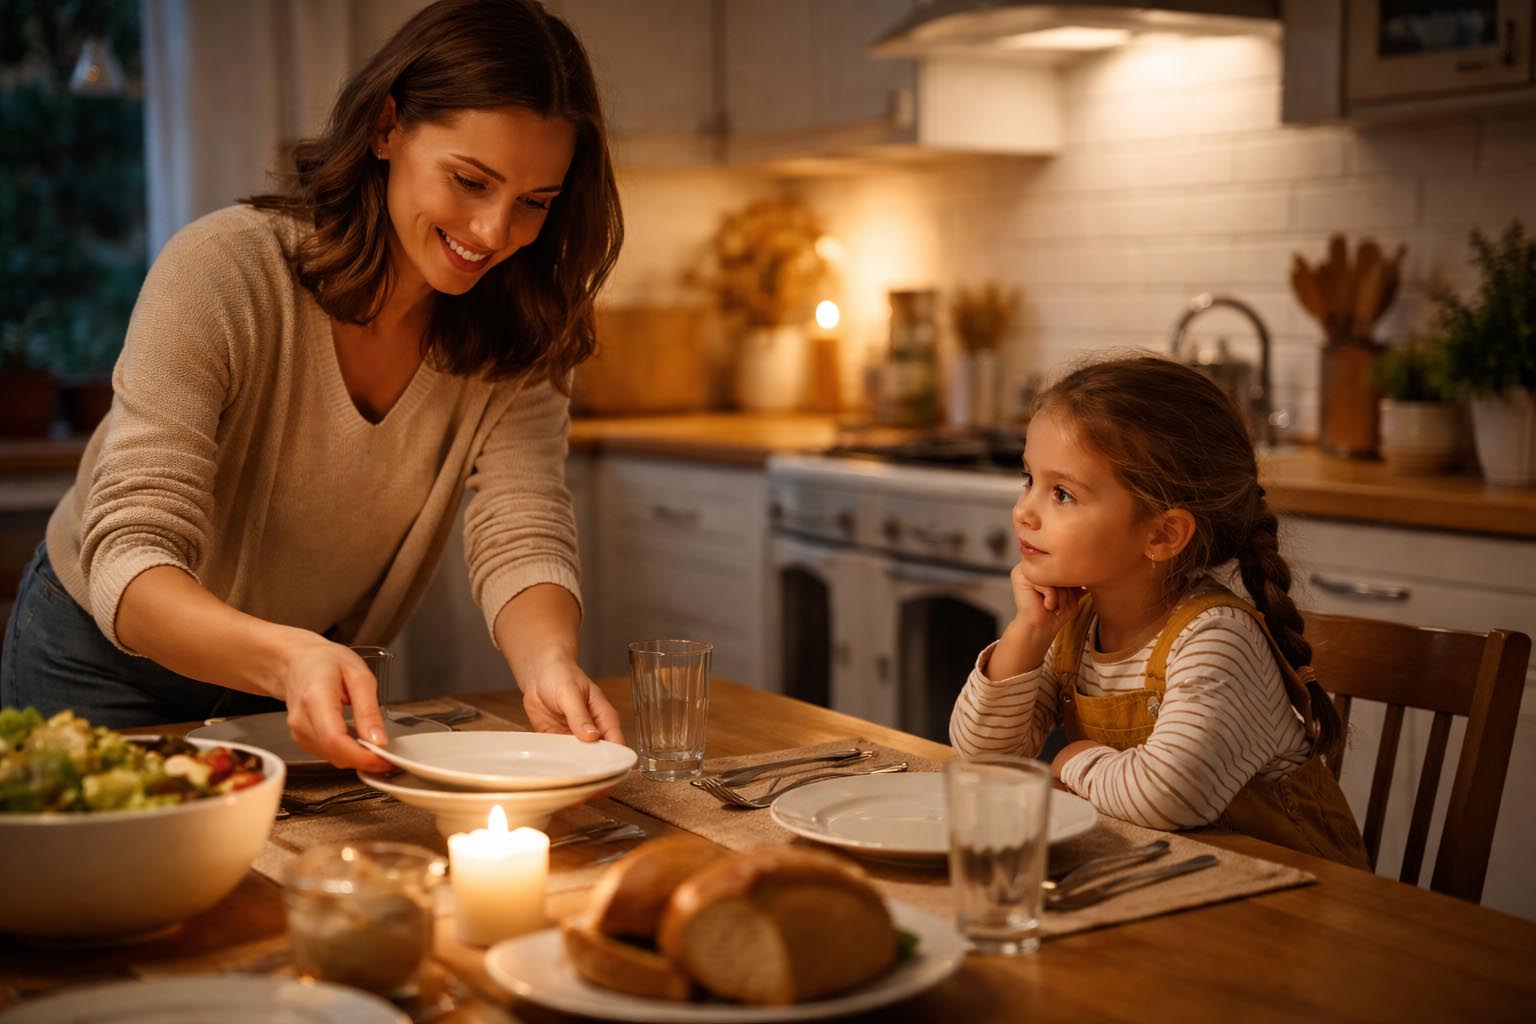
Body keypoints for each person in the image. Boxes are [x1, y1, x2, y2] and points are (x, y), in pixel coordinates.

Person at [0, 0, 626, 771]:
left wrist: (548, 664)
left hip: (289, 676)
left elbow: (522, 530)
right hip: (103, 661)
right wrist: (284, 658)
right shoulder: (223, 272)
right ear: (387, 128)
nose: (495, 233)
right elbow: (131, 552)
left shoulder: (521, 328)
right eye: (470, 181)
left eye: (534, 203)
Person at [950, 354, 1368, 866]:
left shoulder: (1215, 638)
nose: (1023, 510)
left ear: (1162, 534)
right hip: (1180, 880)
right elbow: (982, 757)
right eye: (1028, 479)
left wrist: (1074, 761)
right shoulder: (1076, 625)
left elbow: (1168, 794)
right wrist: (1029, 630)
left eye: (1061, 493)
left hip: (1299, 906)